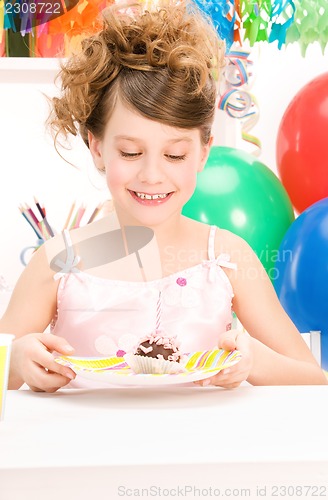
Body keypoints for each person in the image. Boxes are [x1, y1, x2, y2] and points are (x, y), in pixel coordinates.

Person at [2, 0, 327, 392]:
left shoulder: (225, 257)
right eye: (130, 152)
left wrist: (253, 361)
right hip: (89, 451)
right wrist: (18, 362)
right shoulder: (57, 262)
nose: (152, 175)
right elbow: (7, 359)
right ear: (97, 146)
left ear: (203, 152)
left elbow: (314, 381)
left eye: (174, 154)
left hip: (201, 451)